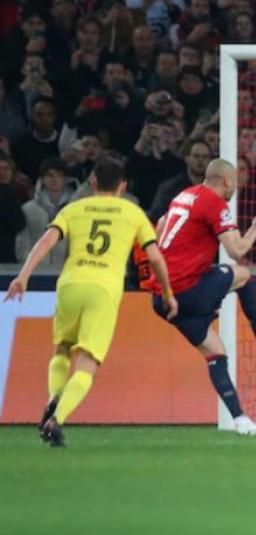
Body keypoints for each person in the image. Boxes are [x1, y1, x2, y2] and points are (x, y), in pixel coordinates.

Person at [4, 156, 177, 447]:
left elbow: (46, 241)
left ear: (93, 182)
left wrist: (23, 276)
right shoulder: (133, 212)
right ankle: (57, 418)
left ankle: (54, 396)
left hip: (70, 284)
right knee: (88, 360)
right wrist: (168, 293)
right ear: (123, 186)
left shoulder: (74, 208)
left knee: (62, 348)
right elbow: (155, 256)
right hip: (103, 289)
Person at [151, 158, 256, 436]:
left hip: (161, 297)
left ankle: (241, 420)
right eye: (236, 183)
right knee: (243, 275)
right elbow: (236, 250)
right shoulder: (214, 202)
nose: (236, 189)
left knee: (216, 351)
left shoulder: (184, 195)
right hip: (185, 290)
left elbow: (159, 226)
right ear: (227, 181)